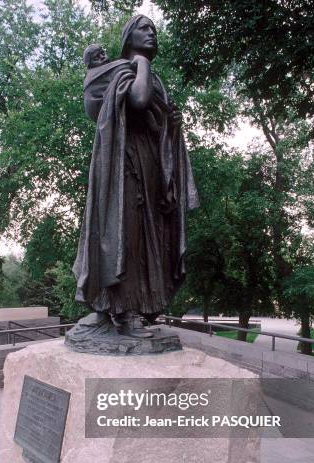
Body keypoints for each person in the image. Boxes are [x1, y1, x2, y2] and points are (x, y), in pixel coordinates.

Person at [72, 15, 199, 342]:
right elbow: (138, 100)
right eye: (145, 30)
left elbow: (155, 121)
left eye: (154, 31)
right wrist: (141, 62)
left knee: (145, 238)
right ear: (129, 37)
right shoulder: (124, 70)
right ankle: (120, 311)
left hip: (148, 166)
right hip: (122, 165)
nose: (152, 34)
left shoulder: (147, 76)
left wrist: (171, 124)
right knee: (123, 234)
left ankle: (138, 308)